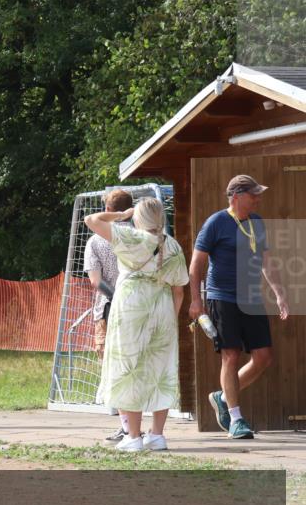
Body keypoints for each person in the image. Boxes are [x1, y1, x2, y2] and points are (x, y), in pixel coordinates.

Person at [189, 174, 288, 440]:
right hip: (222, 297)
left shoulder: (257, 222)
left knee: (263, 357)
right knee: (230, 356)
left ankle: (222, 397)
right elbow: (196, 264)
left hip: (252, 297)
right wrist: (196, 300)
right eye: (253, 194)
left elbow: (266, 261)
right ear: (236, 197)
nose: (258, 198)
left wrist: (279, 294)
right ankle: (236, 418)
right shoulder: (216, 223)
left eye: (258, 193)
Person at [84, 198, 188, 451]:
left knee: (127, 367)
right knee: (160, 369)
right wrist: (170, 320)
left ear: (139, 217)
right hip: (162, 310)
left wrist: (121, 215)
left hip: (131, 309)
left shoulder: (130, 237)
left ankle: (133, 436)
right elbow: (179, 290)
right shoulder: (173, 245)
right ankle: (158, 435)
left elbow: (91, 220)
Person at [82, 189, 134, 442]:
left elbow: (95, 281)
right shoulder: (139, 236)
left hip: (108, 305)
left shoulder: (95, 240)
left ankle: (121, 413)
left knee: (111, 359)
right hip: (137, 303)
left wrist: (114, 296)